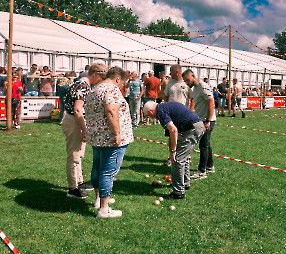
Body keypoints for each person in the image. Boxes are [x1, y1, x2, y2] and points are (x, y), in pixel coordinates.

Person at [86, 67, 133, 218]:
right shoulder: (111, 90)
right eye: (122, 83)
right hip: (110, 138)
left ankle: (99, 199)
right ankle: (104, 209)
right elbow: (111, 110)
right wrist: (117, 133)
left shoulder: (95, 89)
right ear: (118, 79)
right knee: (108, 172)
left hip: (97, 137)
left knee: (97, 169)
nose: (122, 86)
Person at [62, 63, 108, 199]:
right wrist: (83, 129)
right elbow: (77, 110)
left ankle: (79, 181)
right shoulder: (82, 86)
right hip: (74, 122)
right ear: (95, 74)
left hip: (76, 121)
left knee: (79, 155)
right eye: (101, 77)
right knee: (74, 156)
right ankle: (72, 188)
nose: (101, 81)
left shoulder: (83, 85)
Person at [143, 101, 205, 199]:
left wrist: (173, 152)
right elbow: (170, 135)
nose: (150, 118)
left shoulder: (160, 112)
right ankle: (184, 183)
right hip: (193, 127)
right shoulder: (163, 108)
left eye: (148, 116)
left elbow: (173, 130)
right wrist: (171, 151)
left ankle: (178, 192)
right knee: (183, 157)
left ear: (150, 112)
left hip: (192, 129)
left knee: (178, 160)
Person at [183, 69, 216, 179]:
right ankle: (210, 165)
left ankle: (202, 171)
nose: (187, 83)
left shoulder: (202, 86)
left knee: (203, 145)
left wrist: (207, 121)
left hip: (207, 120)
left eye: (187, 80)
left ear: (193, 75)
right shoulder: (195, 88)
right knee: (206, 143)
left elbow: (211, 103)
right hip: (200, 119)